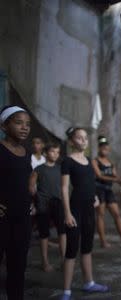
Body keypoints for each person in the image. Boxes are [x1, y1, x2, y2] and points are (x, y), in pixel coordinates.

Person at [60, 127, 108, 300]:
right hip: (75, 209)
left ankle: (89, 283)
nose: (83, 140)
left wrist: (95, 196)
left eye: (85, 138)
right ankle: (66, 291)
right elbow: (65, 188)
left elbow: (89, 182)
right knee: (72, 249)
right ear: (72, 141)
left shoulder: (88, 160)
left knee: (87, 247)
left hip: (89, 208)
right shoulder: (67, 161)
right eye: (79, 138)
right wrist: (67, 213)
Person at [0, 105, 32, 300]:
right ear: (4, 126)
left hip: (22, 217)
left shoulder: (26, 152)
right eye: (18, 122)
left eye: (27, 124)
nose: (24, 127)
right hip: (2, 218)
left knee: (18, 265)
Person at [29, 142, 66, 272]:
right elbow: (31, 187)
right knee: (44, 234)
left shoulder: (61, 168)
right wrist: (35, 201)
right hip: (43, 204)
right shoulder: (38, 169)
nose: (55, 154)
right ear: (45, 153)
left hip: (59, 203)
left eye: (57, 152)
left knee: (62, 232)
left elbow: (64, 187)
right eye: (52, 152)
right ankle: (45, 262)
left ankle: (63, 260)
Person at [92, 135, 121, 248]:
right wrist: (117, 180)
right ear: (99, 148)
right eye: (102, 147)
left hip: (108, 190)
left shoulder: (110, 162)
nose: (105, 149)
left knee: (117, 214)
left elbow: (115, 175)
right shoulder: (95, 161)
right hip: (99, 190)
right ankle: (103, 241)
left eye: (106, 148)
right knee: (101, 215)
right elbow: (99, 176)